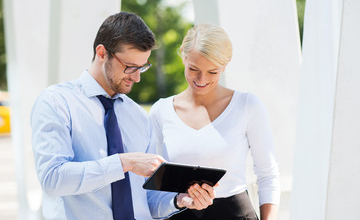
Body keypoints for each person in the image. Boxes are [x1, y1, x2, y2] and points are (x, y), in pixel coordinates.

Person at [31, 12, 216, 220]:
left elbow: (145, 201)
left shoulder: (138, 116)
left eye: (142, 67)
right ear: (102, 53)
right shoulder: (56, 102)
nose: (137, 77)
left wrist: (179, 200)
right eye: (130, 67)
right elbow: (52, 180)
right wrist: (123, 163)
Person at [149, 24, 280, 220]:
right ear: (183, 56)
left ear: (226, 64)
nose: (202, 79)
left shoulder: (247, 106)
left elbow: (268, 175)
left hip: (235, 214)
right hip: (179, 214)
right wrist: (180, 200)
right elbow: (152, 185)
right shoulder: (161, 111)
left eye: (213, 72)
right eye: (194, 69)